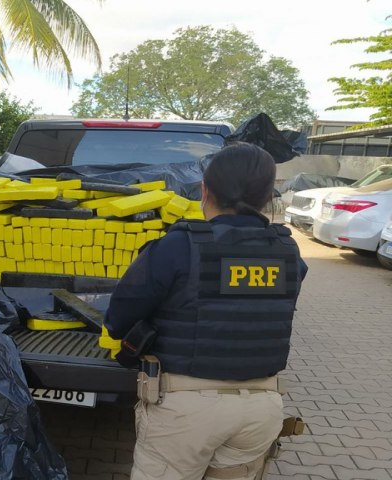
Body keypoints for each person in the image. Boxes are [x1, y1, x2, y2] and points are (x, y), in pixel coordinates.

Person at [104, 142, 307, 480]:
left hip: (187, 410)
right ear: (268, 196)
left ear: (204, 190)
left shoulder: (181, 245)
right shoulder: (287, 250)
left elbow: (118, 317)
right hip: (261, 408)